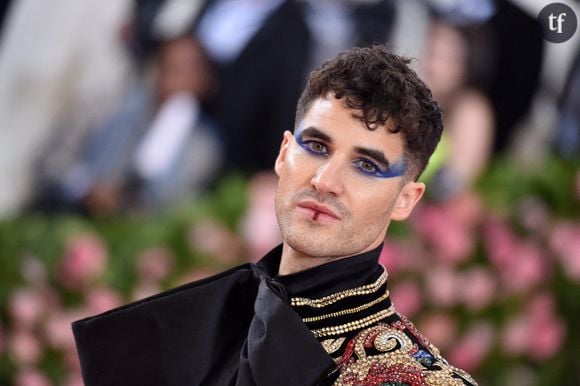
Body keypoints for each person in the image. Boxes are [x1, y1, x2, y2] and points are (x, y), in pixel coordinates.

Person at [72, 45, 478, 385]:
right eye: (317, 146)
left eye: (366, 166)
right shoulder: (211, 317)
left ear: (406, 199)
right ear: (284, 154)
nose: (324, 180)